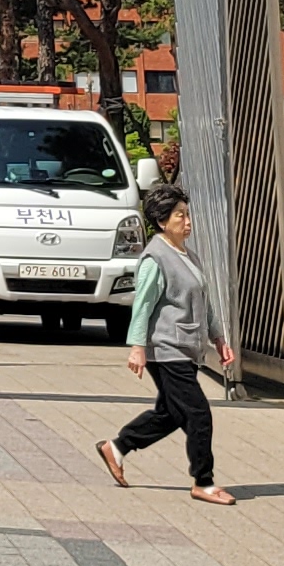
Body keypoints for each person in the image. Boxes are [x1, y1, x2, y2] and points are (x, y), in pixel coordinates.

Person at [97, 190, 238, 504]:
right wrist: (137, 347)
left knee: (172, 413)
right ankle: (204, 482)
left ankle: (117, 447)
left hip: (186, 348)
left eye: (187, 214)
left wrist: (218, 338)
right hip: (166, 349)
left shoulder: (188, 254)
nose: (187, 222)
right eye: (180, 215)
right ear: (162, 221)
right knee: (198, 414)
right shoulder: (156, 258)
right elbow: (143, 305)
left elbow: (204, 302)